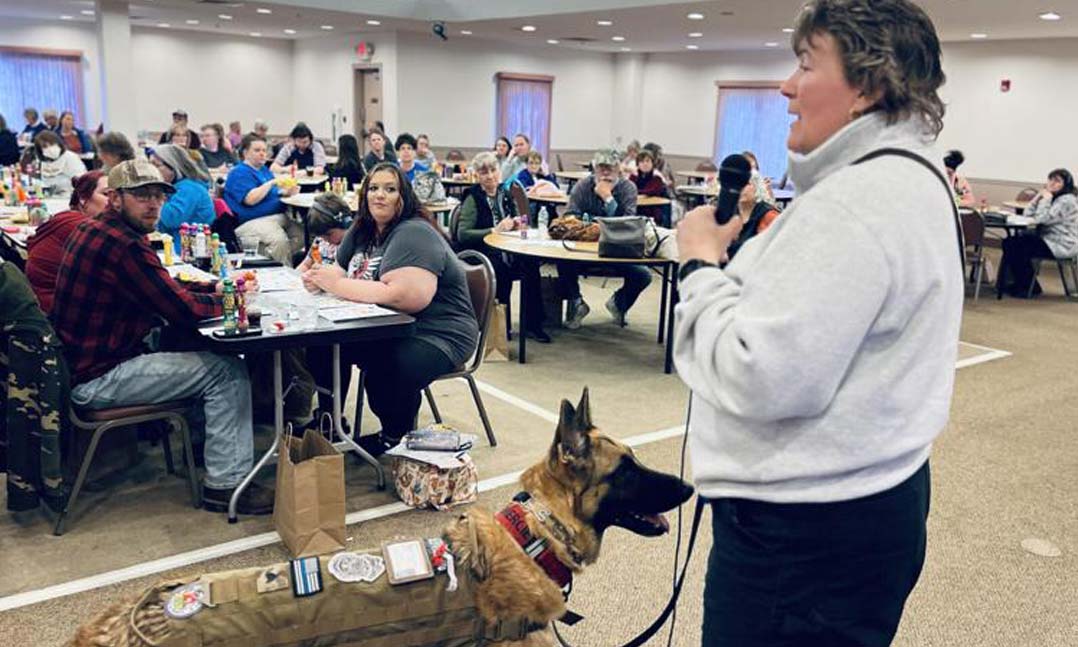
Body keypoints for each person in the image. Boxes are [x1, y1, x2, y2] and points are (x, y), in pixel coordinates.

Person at [673, 2, 960, 644]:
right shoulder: (909, 178)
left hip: (803, 536)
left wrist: (697, 266)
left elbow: (761, 375)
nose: (785, 86)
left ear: (868, 85)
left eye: (806, 65)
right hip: (867, 508)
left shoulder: (854, 205)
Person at [52, 159, 271, 515]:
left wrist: (211, 286)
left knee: (189, 343)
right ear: (115, 197)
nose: (153, 204)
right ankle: (227, 485)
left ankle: (205, 450)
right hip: (98, 377)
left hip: (81, 363)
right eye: (141, 195)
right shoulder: (125, 245)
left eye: (158, 195)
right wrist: (230, 300)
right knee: (227, 372)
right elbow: (179, 308)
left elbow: (157, 285)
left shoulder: (95, 229)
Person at [303, 163, 478, 455]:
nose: (379, 196)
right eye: (373, 188)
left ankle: (395, 436)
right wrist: (319, 280)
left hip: (438, 332)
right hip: (385, 325)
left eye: (390, 189)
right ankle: (329, 420)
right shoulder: (363, 230)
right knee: (323, 345)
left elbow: (405, 297)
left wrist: (335, 284)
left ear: (403, 197)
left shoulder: (413, 232)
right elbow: (338, 271)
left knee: (388, 366)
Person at [457, 151, 549, 342]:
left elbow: (522, 220)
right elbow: (463, 234)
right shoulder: (472, 198)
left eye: (493, 170)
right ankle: (501, 327)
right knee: (501, 270)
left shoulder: (507, 192)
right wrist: (494, 230)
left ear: (499, 171)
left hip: (506, 248)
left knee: (531, 265)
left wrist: (518, 224)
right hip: (481, 251)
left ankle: (533, 324)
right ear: (477, 175)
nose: (490, 176)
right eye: (484, 172)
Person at [558, 149, 652, 329]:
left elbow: (628, 224)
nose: (606, 172)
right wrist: (595, 226)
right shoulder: (582, 186)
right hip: (584, 248)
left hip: (618, 250)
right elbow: (570, 217)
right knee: (562, 261)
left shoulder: (628, 188)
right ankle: (577, 303)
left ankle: (619, 303)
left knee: (643, 275)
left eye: (610, 168)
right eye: (602, 168)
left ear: (618, 169)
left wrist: (608, 199)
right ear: (595, 169)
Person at [25, 171, 108, 313]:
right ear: (83, 198)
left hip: (41, 303)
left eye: (118, 195)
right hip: (56, 313)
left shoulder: (65, 217)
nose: (114, 200)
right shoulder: (81, 227)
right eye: (106, 194)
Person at [998, 168, 1078, 298]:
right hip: (1049, 240)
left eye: (1057, 181)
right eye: (1050, 179)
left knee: (1015, 245)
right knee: (1012, 242)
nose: (1052, 183)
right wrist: (1038, 197)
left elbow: (1042, 219)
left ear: (1066, 184)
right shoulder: (1054, 198)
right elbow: (1028, 214)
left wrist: (1046, 199)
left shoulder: (1067, 200)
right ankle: (1024, 284)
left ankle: (1027, 286)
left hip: (1061, 244)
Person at [223, 134, 302, 265]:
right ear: (245, 152)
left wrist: (286, 192)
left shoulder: (264, 170)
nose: (262, 154)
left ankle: (273, 261)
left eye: (264, 150)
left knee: (302, 235)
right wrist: (271, 183)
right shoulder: (239, 172)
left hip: (276, 217)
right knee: (279, 241)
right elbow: (250, 199)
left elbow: (273, 194)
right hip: (250, 221)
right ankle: (280, 273)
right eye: (257, 150)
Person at [150, 144, 216, 254]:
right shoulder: (175, 187)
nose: (152, 170)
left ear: (173, 167)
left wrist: (156, 195)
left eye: (156, 165)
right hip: (172, 246)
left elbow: (171, 219)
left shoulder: (190, 189)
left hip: (189, 250)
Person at [296, 192, 353, 271]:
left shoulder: (353, 246)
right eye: (321, 236)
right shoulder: (320, 240)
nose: (325, 239)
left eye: (328, 234)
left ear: (346, 223)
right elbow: (306, 265)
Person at [28, 130, 85, 196]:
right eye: (45, 147)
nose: (50, 148)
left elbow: (82, 182)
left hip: (71, 197)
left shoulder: (70, 157)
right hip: (51, 197)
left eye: (52, 144)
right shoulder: (42, 162)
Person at [629, 149, 670, 225]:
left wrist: (637, 192)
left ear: (652, 163)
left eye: (647, 161)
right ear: (638, 164)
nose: (645, 164)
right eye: (642, 162)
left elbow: (651, 191)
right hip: (637, 207)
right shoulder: (633, 177)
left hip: (652, 209)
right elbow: (629, 190)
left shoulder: (657, 177)